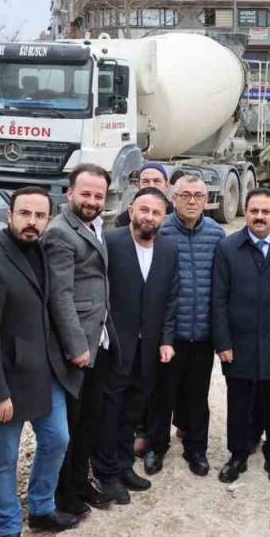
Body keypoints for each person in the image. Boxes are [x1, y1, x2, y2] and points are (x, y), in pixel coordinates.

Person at [0, 186, 79, 537]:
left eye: (39, 216)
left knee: (57, 439)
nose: (32, 222)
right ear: (9, 215)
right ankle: (8, 529)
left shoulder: (41, 252)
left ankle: (42, 508)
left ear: (48, 218)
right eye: (25, 214)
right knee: (4, 457)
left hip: (44, 373)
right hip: (7, 382)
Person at [211, 187, 270, 484]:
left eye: (266, 211)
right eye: (254, 211)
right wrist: (222, 342)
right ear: (245, 213)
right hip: (239, 343)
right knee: (238, 402)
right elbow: (219, 299)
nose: (259, 217)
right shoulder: (227, 248)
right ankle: (237, 455)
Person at [99, 189, 179, 497]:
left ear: (164, 217)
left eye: (156, 212)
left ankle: (123, 465)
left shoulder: (169, 249)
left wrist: (167, 339)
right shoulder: (112, 242)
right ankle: (106, 473)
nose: (149, 217)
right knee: (110, 410)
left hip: (148, 349)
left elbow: (171, 298)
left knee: (133, 409)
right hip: (115, 346)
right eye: (143, 210)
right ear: (132, 210)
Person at [47, 163, 118, 513]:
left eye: (98, 195)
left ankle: (80, 482)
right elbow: (59, 295)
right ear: (69, 192)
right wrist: (76, 347)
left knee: (90, 419)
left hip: (99, 340)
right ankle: (65, 493)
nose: (92, 201)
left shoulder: (96, 225)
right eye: (85, 193)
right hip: (78, 349)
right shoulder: (60, 232)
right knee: (71, 425)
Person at [144, 174, 225, 477]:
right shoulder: (161, 231)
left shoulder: (216, 234)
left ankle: (196, 448)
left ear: (207, 200)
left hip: (202, 333)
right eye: (185, 195)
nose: (192, 201)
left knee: (198, 395)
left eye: (198, 196)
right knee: (161, 393)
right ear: (173, 199)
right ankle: (156, 446)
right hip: (169, 334)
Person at [114, 162, 173, 228]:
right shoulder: (123, 221)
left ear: (167, 185)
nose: (151, 186)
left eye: (157, 181)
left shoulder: (178, 215)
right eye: (146, 181)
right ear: (138, 186)